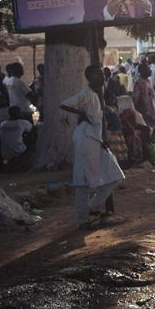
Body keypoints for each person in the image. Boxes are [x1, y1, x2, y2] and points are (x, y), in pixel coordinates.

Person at [60, 65, 126, 230]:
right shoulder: (85, 94)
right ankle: (83, 219)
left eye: (102, 73)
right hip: (84, 138)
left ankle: (92, 207)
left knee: (115, 175)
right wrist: (81, 113)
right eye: (98, 74)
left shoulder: (98, 95)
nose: (102, 76)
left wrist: (102, 138)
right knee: (82, 181)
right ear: (90, 77)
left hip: (95, 139)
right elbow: (64, 104)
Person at [132, 62, 155, 145]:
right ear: (143, 71)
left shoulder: (147, 82)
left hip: (152, 111)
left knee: (153, 131)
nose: (149, 70)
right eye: (147, 68)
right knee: (148, 132)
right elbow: (136, 100)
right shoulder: (138, 83)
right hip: (145, 112)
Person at [0, 105, 34, 170]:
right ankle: (24, 161)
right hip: (19, 150)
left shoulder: (3, 124)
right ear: (18, 113)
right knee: (33, 137)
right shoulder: (22, 123)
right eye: (20, 112)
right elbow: (32, 129)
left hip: (5, 153)